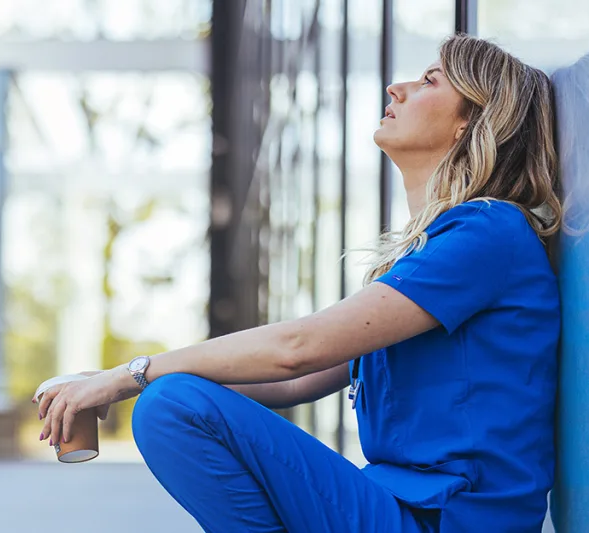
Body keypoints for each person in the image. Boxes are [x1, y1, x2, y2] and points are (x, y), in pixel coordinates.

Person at [35, 34, 561, 532]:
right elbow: (292, 383)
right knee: (172, 399)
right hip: (399, 506)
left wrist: (131, 376)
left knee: (170, 404)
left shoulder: (488, 230)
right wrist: (117, 378)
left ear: (469, 123)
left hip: (446, 521)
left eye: (429, 81)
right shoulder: (439, 247)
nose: (395, 88)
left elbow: (297, 350)